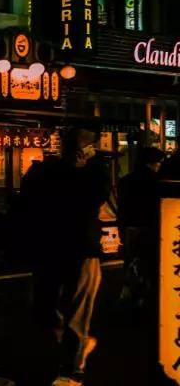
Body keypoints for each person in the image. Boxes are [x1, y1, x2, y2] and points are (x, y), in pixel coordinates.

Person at [20, 126, 111, 386]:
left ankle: (72, 369)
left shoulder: (95, 172)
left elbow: (95, 198)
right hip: (50, 246)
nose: (77, 151)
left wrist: (81, 171)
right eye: (72, 145)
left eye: (83, 145)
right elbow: (26, 200)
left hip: (83, 248)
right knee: (44, 307)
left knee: (76, 310)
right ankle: (75, 346)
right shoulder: (43, 170)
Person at [118, 146, 165, 309]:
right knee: (152, 266)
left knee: (133, 264)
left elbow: (122, 210)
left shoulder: (125, 181)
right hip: (151, 229)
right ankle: (147, 300)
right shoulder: (157, 182)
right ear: (153, 163)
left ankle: (132, 297)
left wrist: (122, 231)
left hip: (131, 228)